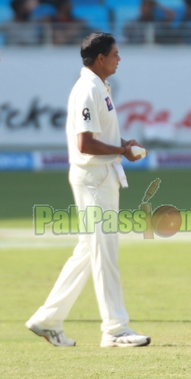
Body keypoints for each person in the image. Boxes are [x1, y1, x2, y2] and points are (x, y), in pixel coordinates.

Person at [26, 33, 150, 348]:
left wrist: (123, 145)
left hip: (101, 175)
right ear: (100, 59)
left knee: (88, 250)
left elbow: (99, 137)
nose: (119, 58)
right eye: (115, 54)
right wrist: (121, 152)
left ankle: (47, 319)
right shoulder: (87, 89)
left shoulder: (98, 86)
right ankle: (115, 329)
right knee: (105, 251)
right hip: (93, 179)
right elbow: (85, 143)